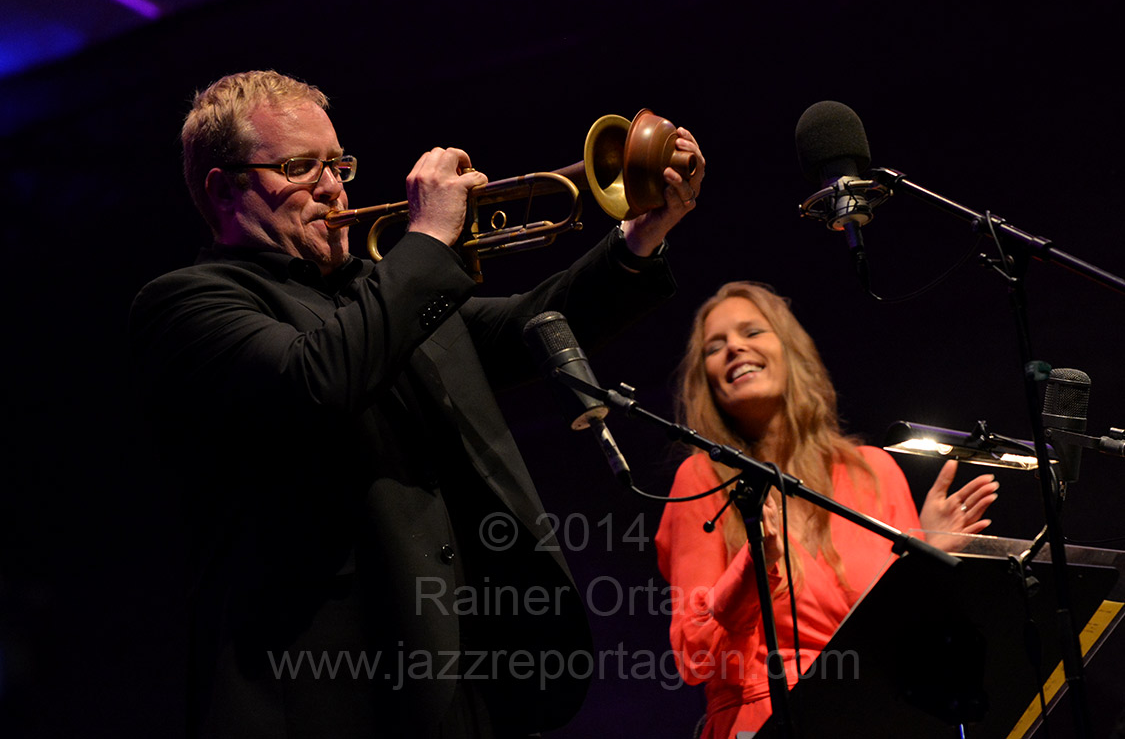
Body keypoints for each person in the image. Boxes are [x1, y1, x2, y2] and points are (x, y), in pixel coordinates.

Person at [128, 70, 705, 738]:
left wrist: (641, 236)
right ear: (223, 188)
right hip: (323, 697)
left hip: (461, 688)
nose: (330, 186)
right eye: (297, 166)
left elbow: (534, 326)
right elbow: (314, 379)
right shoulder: (188, 304)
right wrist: (427, 243)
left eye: (336, 163)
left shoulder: (380, 294)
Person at [654, 281, 998, 739]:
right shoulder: (702, 479)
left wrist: (924, 552)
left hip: (879, 716)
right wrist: (755, 564)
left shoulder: (872, 469)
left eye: (752, 332)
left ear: (791, 351)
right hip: (768, 721)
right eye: (715, 347)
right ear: (708, 382)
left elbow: (900, 638)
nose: (734, 347)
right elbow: (694, 657)